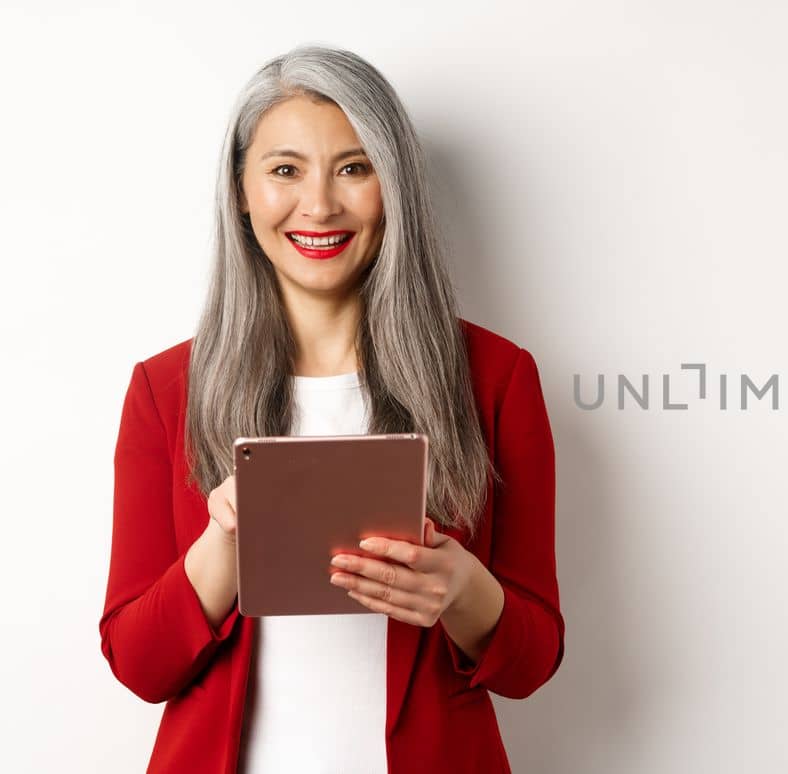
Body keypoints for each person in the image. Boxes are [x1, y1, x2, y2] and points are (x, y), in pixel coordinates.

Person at [97, 45, 565, 773]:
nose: (319, 205)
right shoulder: (165, 390)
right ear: (241, 191)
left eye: (354, 167)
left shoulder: (497, 378)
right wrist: (221, 545)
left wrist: (463, 589)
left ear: (395, 185)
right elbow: (138, 665)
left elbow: (532, 665)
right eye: (285, 170)